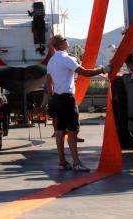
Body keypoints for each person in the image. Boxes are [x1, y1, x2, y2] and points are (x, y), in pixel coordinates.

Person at [45, 34, 104, 171]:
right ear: (61, 44)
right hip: (67, 99)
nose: (68, 41)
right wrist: (102, 69)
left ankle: (62, 160)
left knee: (60, 131)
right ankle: (76, 163)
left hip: (57, 99)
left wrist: (52, 98)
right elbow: (85, 73)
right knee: (73, 131)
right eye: (66, 40)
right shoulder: (67, 58)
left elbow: (49, 84)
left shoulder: (51, 61)